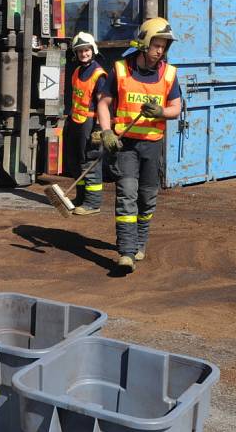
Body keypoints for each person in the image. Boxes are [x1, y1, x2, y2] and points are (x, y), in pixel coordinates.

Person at [96, 17, 182, 271]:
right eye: (157, 45)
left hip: (152, 146)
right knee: (126, 196)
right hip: (126, 146)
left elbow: (176, 108)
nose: (160, 51)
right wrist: (106, 132)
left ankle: (140, 241)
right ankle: (126, 252)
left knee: (147, 198)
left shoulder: (169, 73)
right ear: (144, 42)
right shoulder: (121, 69)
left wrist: (160, 112)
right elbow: (103, 103)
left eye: (164, 46)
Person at [67, 32, 107, 215]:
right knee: (76, 161)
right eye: (80, 51)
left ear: (93, 50)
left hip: (90, 123)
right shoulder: (76, 72)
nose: (84, 54)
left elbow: (102, 103)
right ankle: (81, 197)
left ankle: (92, 203)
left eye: (86, 50)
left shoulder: (99, 74)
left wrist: (98, 127)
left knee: (90, 161)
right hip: (76, 121)